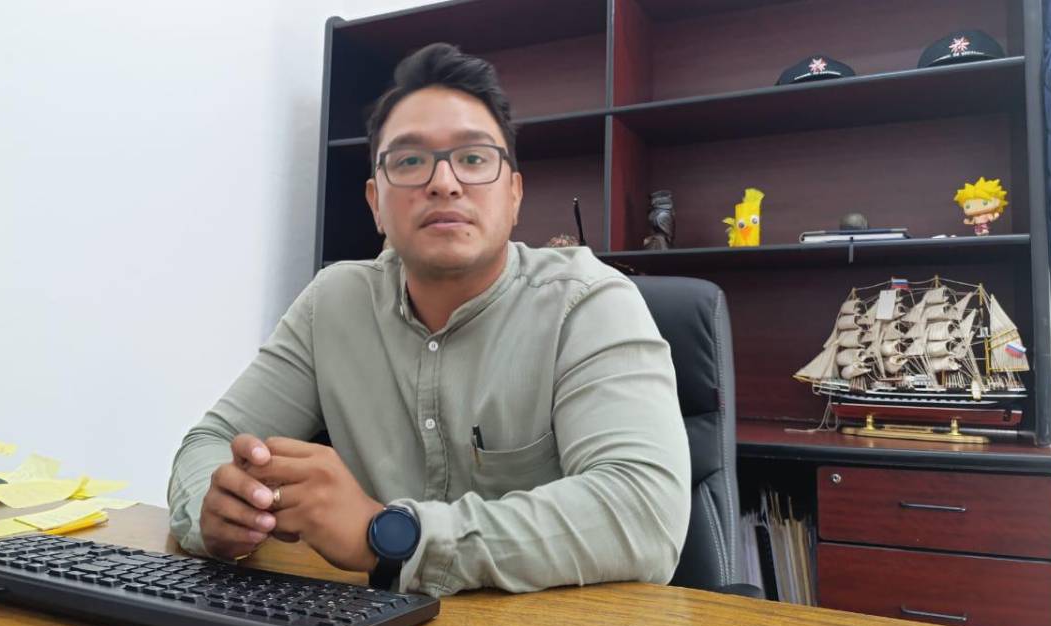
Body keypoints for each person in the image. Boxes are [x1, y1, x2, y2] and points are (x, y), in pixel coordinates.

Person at [167, 42, 691, 597]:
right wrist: (218, 510)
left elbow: (644, 512)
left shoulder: (587, 302)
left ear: (514, 195)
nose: (444, 182)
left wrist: (387, 536)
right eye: (410, 161)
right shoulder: (333, 302)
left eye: (474, 158)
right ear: (375, 202)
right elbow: (211, 441)